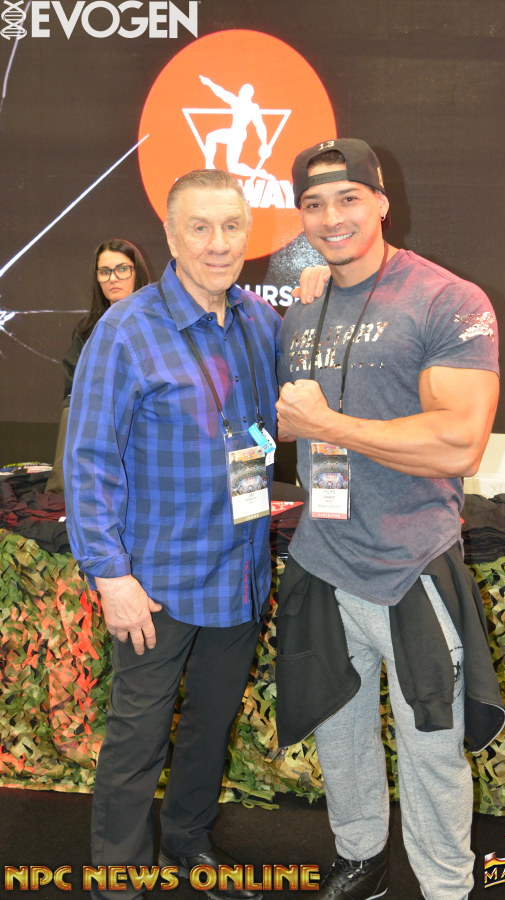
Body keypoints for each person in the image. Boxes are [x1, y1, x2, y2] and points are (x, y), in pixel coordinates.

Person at [275, 139, 505, 900]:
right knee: (339, 733)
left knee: (432, 746)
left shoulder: (447, 299)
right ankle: (362, 857)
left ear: (380, 201)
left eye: (348, 198)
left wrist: (328, 427)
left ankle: (445, 886)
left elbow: (459, 442)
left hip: (409, 567)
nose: (332, 217)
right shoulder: (304, 306)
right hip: (322, 558)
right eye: (314, 204)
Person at [64, 170, 281, 900]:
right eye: (200, 227)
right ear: (171, 235)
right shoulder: (125, 331)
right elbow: (89, 459)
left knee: (209, 729)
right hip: (154, 585)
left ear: (248, 232)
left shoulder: (260, 322)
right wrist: (111, 576)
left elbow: (285, 417)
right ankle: (119, 879)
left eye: (231, 226)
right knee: (137, 740)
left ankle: (189, 842)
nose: (218, 244)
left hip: (239, 574)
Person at [47, 239, 151, 493]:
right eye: (104, 271)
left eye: (122, 269)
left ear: (137, 272)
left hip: (146, 424)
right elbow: (74, 391)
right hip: (96, 425)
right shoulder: (87, 331)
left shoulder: (158, 324)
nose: (113, 278)